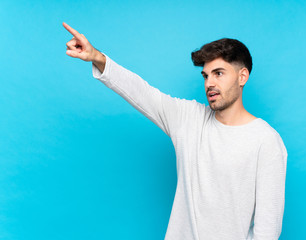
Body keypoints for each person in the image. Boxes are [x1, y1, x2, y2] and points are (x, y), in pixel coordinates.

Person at [63, 22, 288, 240]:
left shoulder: (266, 141)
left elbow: (268, 230)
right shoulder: (188, 119)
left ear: (242, 77)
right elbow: (143, 93)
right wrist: (96, 57)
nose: (209, 83)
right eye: (206, 75)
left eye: (218, 73)